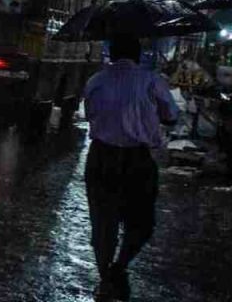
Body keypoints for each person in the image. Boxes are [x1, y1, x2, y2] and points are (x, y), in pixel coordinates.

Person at [82, 34, 180, 301]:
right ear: (139, 56)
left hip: (101, 157)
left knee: (103, 224)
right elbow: (171, 115)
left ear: (111, 55)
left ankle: (105, 278)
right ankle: (120, 266)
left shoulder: (95, 81)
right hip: (137, 160)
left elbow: (89, 114)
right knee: (142, 223)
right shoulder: (152, 81)